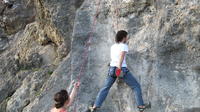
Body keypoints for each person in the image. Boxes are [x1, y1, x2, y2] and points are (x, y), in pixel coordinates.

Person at [88, 30, 150, 112]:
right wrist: (119, 69)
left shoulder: (113, 46)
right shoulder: (124, 46)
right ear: (123, 37)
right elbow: (121, 57)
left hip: (111, 69)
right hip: (120, 68)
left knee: (105, 88)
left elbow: (113, 58)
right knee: (136, 86)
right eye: (126, 36)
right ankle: (141, 106)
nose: (127, 38)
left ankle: (95, 106)